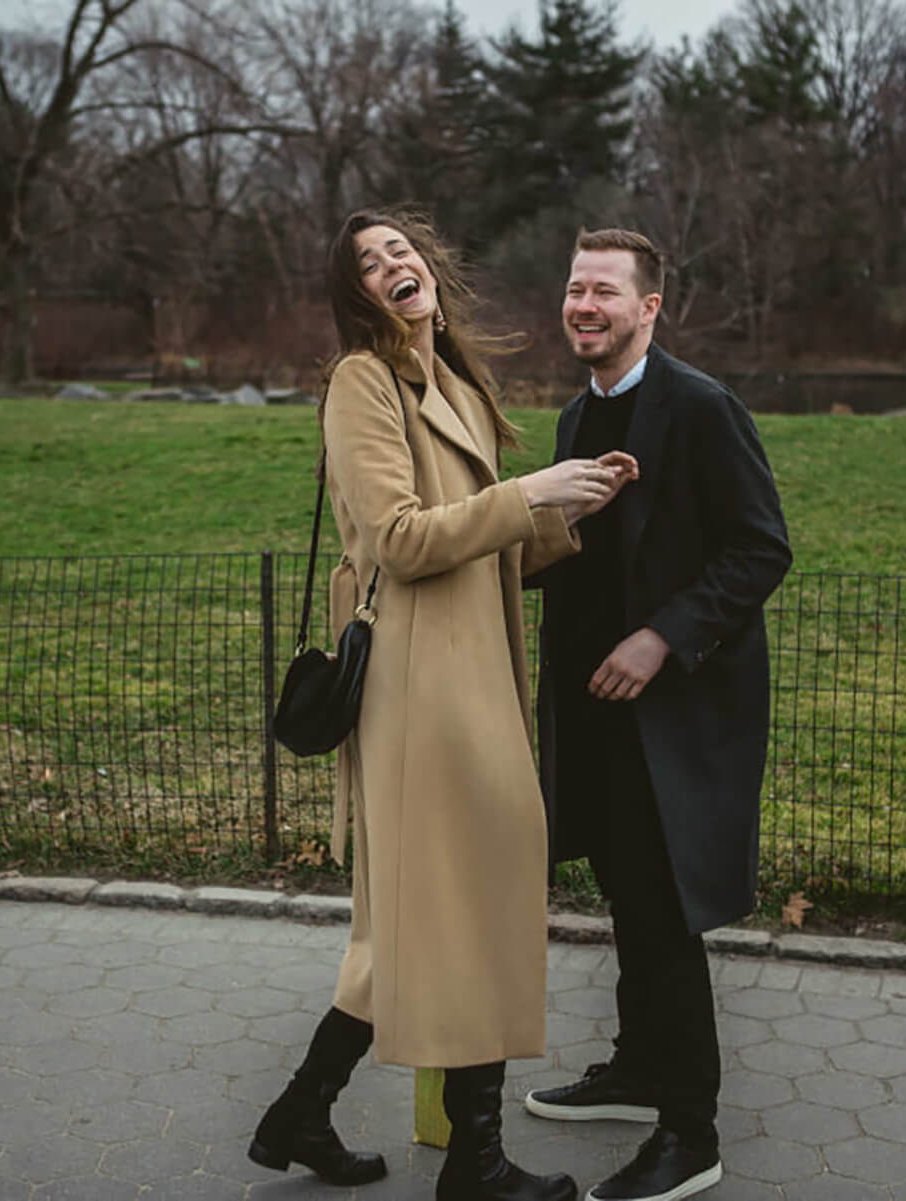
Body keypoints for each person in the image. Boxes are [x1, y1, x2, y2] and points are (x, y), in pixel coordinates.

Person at [248, 207, 636, 1201]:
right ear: (358, 296)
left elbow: (489, 535)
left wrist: (568, 505)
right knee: (461, 907)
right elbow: (403, 540)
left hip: (474, 671)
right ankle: (476, 1162)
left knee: (427, 921)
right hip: (422, 685)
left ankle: (306, 1110)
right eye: (370, 264)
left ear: (427, 268)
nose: (392, 267)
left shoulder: (455, 377)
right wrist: (528, 490)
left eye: (400, 251)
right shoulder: (360, 384)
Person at [523, 229, 792, 1201]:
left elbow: (760, 550)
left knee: (665, 911)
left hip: (674, 714)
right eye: (573, 287)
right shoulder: (571, 419)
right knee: (625, 892)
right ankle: (638, 1068)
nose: (583, 304)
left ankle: (691, 1131)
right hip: (592, 714)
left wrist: (662, 638)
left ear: (650, 307)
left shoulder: (701, 409)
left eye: (603, 290)